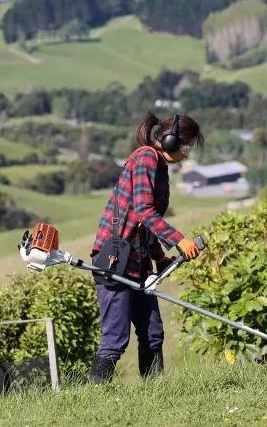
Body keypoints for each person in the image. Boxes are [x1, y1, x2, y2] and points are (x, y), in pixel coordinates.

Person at [89, 112, 204, 383]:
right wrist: (179, 240)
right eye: (188, 146)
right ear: (171, 141)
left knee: (152, 333)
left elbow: (144, 226)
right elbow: (144, 211)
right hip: (115, 261)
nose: (188, 153)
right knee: (115, 339)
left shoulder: (159, 165)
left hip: (138, 262)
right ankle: (93, 395)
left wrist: (159, 257)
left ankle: (155, 393)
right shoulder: (145, 158)